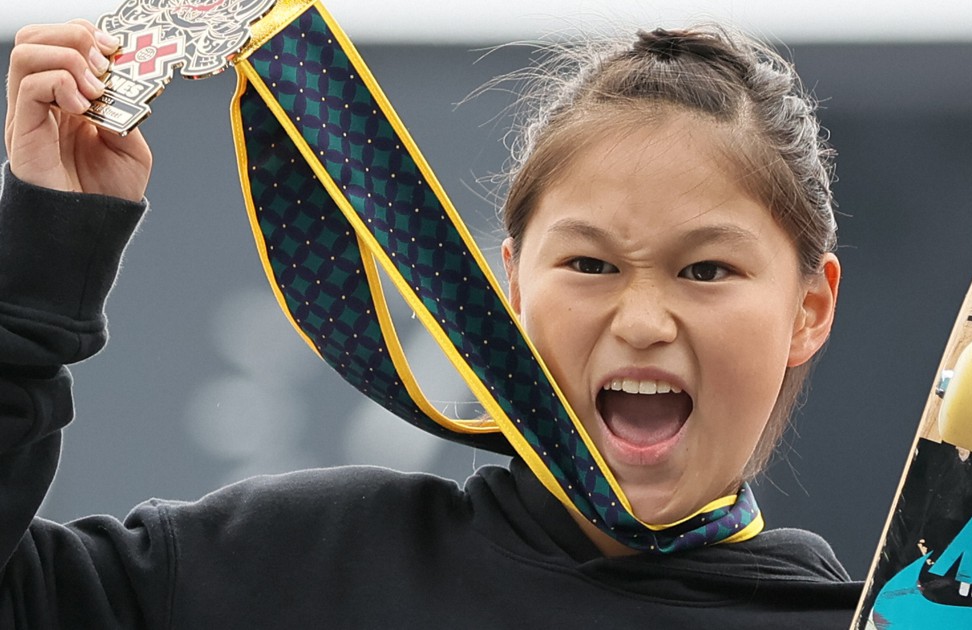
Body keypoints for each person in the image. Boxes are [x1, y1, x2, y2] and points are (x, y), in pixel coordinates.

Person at [1, 16, 861, 629]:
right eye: (590, 265)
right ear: (512, 285)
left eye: (706, 269)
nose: (641, 320)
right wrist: (36, 282)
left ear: (808, 308)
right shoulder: (303, 563)